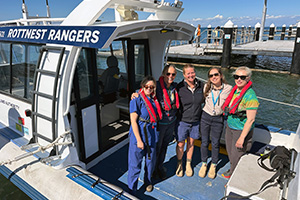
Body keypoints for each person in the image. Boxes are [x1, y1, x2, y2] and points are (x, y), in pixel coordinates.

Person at [221, 66, 259, 179]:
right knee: (230, 151)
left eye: (242, 77)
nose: (239, 79)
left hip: (240, 129)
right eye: (236, 76)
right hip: (230, 126)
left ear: (248, 78)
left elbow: (251, 119)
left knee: (237, 154)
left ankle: (235, 177)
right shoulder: (236, 90)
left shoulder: (250, 96)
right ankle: (232, 169)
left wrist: (242, 138)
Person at [127, 76, 162, 193]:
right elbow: (133, 121)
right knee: (135, 164)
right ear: (143, 86)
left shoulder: (154, 99)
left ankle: (148, 181)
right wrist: (139, 140)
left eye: (152, 87)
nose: (149, 89)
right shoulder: (136, 99)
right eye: (147, 86)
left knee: (150, 161)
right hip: (139, 134)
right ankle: (132, 189)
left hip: (151, 133)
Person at [198, 67, 232, 179]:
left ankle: (213, 165)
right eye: (211, 76)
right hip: (205, 116)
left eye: (216, 74)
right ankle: (204, 163)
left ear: (221, 75)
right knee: (204, 141)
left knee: (216, 143)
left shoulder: (228, 89)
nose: (214, 77)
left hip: (218, 119)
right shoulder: (206, 88)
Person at [175, 64, 204, 177]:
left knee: (191, 143)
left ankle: (188, 164)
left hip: (196, 121)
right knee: (181, 144)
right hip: (182, 121)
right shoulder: (179, 87)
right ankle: (179, 164)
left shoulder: (201, 85)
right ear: (184, 75)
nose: (191, 75)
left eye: (192, 72)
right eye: (188, 73)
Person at [153, 64, 180, 180]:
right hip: (160, 123)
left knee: (164, 146)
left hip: (171, 122)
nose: (170, 76)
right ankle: (152, 169)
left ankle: (160, 166)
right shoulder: (156, 86)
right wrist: (135, 94)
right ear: (163, 74)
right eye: (168, 74)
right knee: (157, 148)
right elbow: (145, 91)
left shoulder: (174, 87)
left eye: (173, 74)